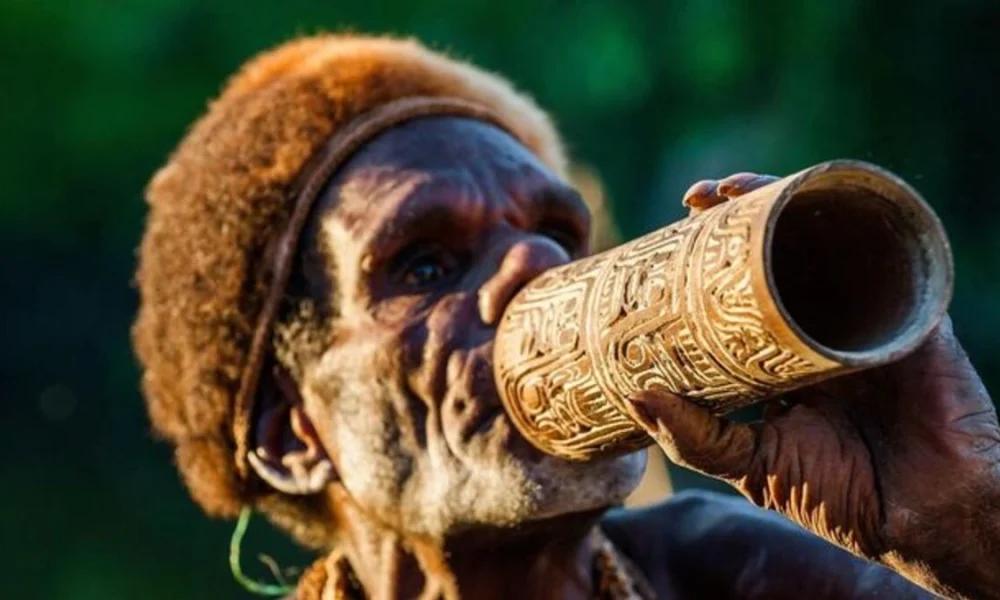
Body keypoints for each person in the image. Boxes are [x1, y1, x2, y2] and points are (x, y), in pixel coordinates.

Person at [132, 34, 1000, 599]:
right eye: (425, 263)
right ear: (292, 434)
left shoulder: (746, 574)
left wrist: (960, 523)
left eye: (558, 233)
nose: (538, 269)